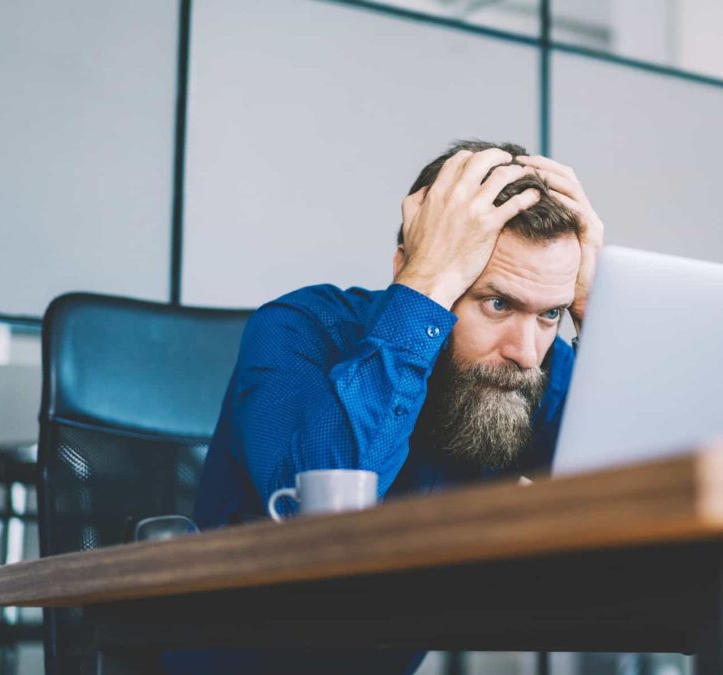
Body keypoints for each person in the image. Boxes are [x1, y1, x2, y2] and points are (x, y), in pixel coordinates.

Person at [185, 140, 604, 674]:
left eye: (551, 315)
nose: (526, 352)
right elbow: (321, 524)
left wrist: (596, 315)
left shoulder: (526, 370)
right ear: (409, 263)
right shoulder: (299, 330)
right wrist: (425, 289)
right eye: (497, 304)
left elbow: (645, 501)